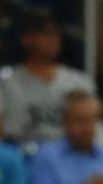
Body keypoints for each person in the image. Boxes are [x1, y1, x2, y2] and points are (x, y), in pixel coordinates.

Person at [0, 9, 95, 144]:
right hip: (20, 153)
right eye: (46, 33)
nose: (53, 39)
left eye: (56, 33)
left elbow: (95, 130)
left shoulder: (79, 81)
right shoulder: (6, 82)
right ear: (26, 38)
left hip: (69, 156)